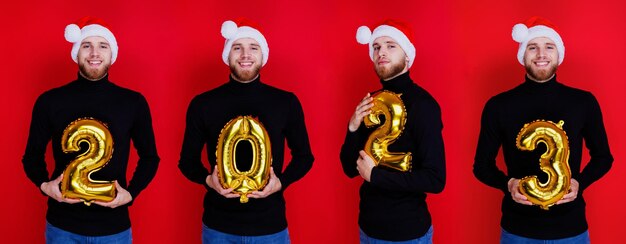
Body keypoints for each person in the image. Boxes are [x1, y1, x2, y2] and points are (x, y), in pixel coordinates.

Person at [473, 16, 613, 243]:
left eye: (549, 47)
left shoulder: (583, 102)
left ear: (558, 54)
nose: (541, 55)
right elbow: (481, 166)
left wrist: (580, 182)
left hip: (572, 230)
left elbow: (603, 157)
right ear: (523, 55)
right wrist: (508, 184)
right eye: (532, 47)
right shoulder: (499, 105)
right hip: (517, 231)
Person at [22, 16, 160, 243]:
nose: (94, 53)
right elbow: (31, 157)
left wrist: (130, 193)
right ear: (77, 52)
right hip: (62, 228)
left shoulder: (132, 102)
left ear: (111, 54)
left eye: (102, 46)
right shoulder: (50, 101)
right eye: (87, 46)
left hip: (114, 229)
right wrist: (44, 185)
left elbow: (150, 158)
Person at [178, 18, 314, 244]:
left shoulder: (285, 102)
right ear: (227, 55)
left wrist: (281, 182)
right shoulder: (203, 104)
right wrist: (208, 181)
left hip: (270, 227)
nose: (245, 55)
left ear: (263, 55)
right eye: (237, 48)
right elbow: (187, 162)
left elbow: (304, 157)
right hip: (218, 227)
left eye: (253, 48)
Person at [340, 19, 446, 243]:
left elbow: (435, 179)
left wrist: (376, 176)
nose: (381, 52)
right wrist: (352, 127)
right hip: (367, 228)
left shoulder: (424, 105)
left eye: (390, 45)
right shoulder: (371, 102)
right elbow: (349, 168)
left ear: (407, 55)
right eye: (376, 47)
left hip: (408, 233)